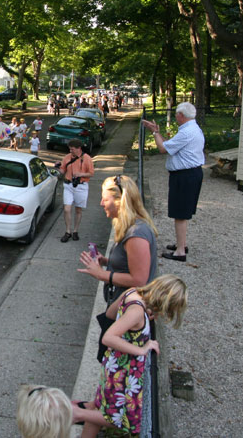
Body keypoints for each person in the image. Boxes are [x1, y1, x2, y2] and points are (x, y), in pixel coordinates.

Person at [72, 274, 187, 437]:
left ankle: (79, 416)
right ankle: (76, 413)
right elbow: (109, 337)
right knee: (122, 418)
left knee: (101, 409)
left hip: (113, 365)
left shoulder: (132, 292)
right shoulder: (137, 311)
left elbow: (111, 314)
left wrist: (137, 318)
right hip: (123, 372)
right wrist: (141, 349)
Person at [77, 176, 158, 312]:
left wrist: (101, 274)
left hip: (130, 313)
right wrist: (106, 261)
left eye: (106, 199)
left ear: (121, 202)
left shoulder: (136, 234)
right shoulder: (130, 227)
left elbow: (139, 280)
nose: (101, 203)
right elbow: (130, 264)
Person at [141, 102, 205, 262]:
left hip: (184, 176)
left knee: (180, 213)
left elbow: (162, 149)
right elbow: (169, 146)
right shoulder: (192, 128)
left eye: (176, 114)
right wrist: (157, 132)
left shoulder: (187, 132)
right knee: (182, 213)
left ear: (181, 115)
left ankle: (180, 251)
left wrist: (154, 133)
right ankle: (181, 244)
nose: (175, 116)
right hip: (190, 174)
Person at [55, 139, 94, 242]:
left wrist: (81, 174)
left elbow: (91, 173)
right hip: (68, 185)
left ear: (78, 149)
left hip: (81, 186)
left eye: (72, 149)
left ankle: (75, 231)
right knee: (67, 209)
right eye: (69, 149)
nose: (70, 151)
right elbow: (63, 170)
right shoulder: (67, 157)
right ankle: (68, 231)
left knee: (78, 210)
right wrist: (58, 167)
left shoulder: (87, 158)